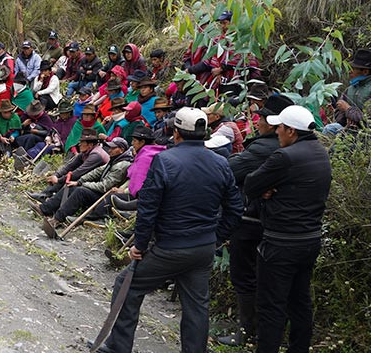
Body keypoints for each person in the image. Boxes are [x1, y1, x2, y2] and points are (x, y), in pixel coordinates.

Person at [95, 107, 243, 353]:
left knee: (127, 284)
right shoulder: (220, 163)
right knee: (196, 306)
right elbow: (235, 208)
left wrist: (140, 245)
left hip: (171, 246)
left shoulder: (165, 160)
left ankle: (118, 346)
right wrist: (216, 238)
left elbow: (148, 209)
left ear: (176, 133)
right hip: (202, 249)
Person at [243, 105, 332, 353]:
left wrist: (265, 191)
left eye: (280, 127)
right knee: (300, 301)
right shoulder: (319, 151)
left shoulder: (285, 157)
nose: (277, 131)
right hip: (310, 240)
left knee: (271, 305)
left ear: (291, 131)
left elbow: (250, 184)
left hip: (281, 242)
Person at [218, 94, 293, 347]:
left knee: (244, 275)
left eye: (261, 117)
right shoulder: (284, 146)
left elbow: (230, 170)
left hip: (250, 221)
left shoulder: (264, 148)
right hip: (270, 223)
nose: (257, 121)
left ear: (272, 124)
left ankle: (247, 331)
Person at [31, 135, 133, 229]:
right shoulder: (115, 159)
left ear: (121, 150)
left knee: (80, 192)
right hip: (99, 190)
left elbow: (104, 186)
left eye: (113, 148)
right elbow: (96, 172)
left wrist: (82, 184)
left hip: (105, 197)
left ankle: (57, 219)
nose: (109, 150)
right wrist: (79, 181)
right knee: (72, 186)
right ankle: (45, 209)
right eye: (110, 147)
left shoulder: (121, 165)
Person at [324, 48, 371, 135]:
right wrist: (344, 115)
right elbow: (338, 115)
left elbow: (367, 120)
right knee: (330, 129)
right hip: (349, 132)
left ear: (365, 71)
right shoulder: (350, 89)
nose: (350, 72)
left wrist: (348, 109)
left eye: (353, 69)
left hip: (366, 135)